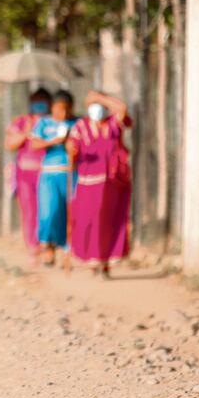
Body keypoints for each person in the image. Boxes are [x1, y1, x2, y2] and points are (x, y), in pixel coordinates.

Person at [67, 90, 132, 276]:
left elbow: (122, 109)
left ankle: (105, 262)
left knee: (109, 222)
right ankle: (91, 258)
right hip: (88, 182)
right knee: (88, 221)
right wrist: (71, 151)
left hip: (113, 182)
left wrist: (98, 97)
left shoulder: (113, 123)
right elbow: (72, 151)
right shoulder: (81, 126)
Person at [29, 90, 76, 268]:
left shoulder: (77, 123)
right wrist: (54, 141)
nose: (63, 113)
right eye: (59, 109)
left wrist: (72, 147)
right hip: (49, 174)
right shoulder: (44, 123)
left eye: (67, 109)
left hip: (71, 174)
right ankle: (47, 246)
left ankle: (68, 249)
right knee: (49, 212)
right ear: (53, 108)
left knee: (69, 213)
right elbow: (34, 144)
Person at [4, 88, 52, 262]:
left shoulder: (53, 122)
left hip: (48, 174)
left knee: (47, 211)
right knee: (30, 212)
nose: (38, 105)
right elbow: (9, 144)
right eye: (35, 101)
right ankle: (33, 249)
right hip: (24, 176)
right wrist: (26, 132)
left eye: (42, 101)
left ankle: (48, 246)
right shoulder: (21, 122)